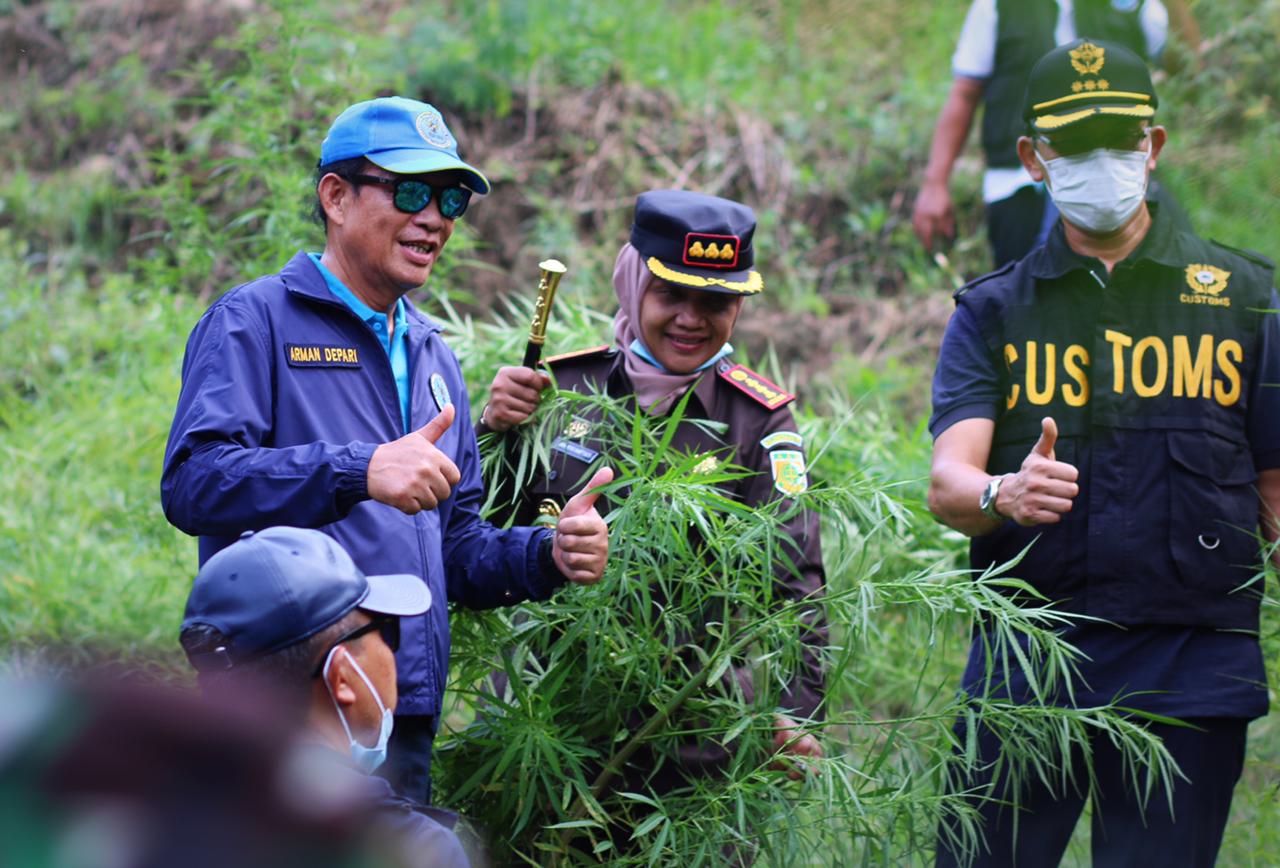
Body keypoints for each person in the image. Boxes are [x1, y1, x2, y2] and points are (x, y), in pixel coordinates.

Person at [161, 96, 611, 805]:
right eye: (409, 191)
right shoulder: (255, 322)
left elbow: (454, 548)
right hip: (288, 708)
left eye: (451, 199)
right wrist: (358, 469)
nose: (433, 217)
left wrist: (546, 554)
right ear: (335, 197)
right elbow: (194, 483)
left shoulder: (435, 356)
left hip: (399, 707)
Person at [927, 39, 1280, 865]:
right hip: (1030, 661)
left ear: (1154, 147)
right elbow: (949, 482)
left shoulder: (1244, 301)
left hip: (1191, 665)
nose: (1102, 163)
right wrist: (1002, 493)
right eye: (1075, 146)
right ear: (1034, 159)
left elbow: (1275, 479)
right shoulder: (995, 313)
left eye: (1120, 142)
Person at [479, 189, 826, 784]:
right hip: (540, 722)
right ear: (633, 283)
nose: (692, 319)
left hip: (685, 737)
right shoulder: (562, 390)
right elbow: (482, 529)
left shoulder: (759, 420)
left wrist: (794, 713)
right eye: (671, 293)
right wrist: (492, 429)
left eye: (715, 301)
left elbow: (796, 579)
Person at [179, 526, 471, 867]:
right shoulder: (413, 849)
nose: (392, 650)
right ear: (342, 675)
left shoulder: (151, 822)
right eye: (387, 629)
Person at [912, 0, 1200, 267]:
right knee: (1030, 296)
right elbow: (965, 92)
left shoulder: (1131, 4)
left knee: (1175, 268)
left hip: (1118, 176)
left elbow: (1187, 69)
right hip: (1020, 185)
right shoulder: (999, 6)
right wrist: (935, 182)